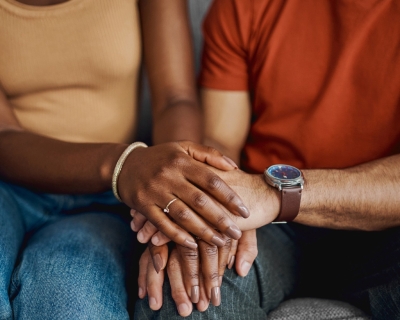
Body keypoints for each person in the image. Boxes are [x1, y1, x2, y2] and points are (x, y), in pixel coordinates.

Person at [134, 0, 400, 319]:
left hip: (387, 229)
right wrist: (203, 208)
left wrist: (271, 194)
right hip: (267, 226)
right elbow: (221, 142)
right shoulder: (245, 5)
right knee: (184, 293)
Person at [0, 0, 249, 319]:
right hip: (11, 185)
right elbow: (3, 135)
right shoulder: (125, 166)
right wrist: (124, 164)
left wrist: (172, 200)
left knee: (72, 303)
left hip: (110, 196)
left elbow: (176, 98)